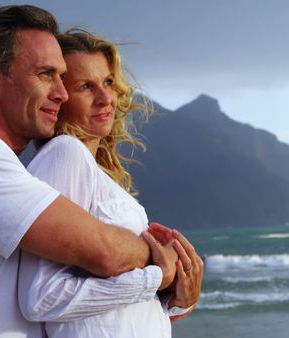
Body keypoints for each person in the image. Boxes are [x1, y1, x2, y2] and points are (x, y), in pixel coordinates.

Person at [0, 5, 198, 337]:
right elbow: (100, 254)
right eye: (46, 74)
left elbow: (96, 304)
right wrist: (162, 264)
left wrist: (174, 296)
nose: (60, 93)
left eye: (63, 77)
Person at [17, 29, 204, 337]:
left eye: (107, 82)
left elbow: (118, 313)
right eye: (85, 87)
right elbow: (43, 297)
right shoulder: (66, 154)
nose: (105, 98)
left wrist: (178, 298)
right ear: (60, 97)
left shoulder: (94, 171)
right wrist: (157, 276)